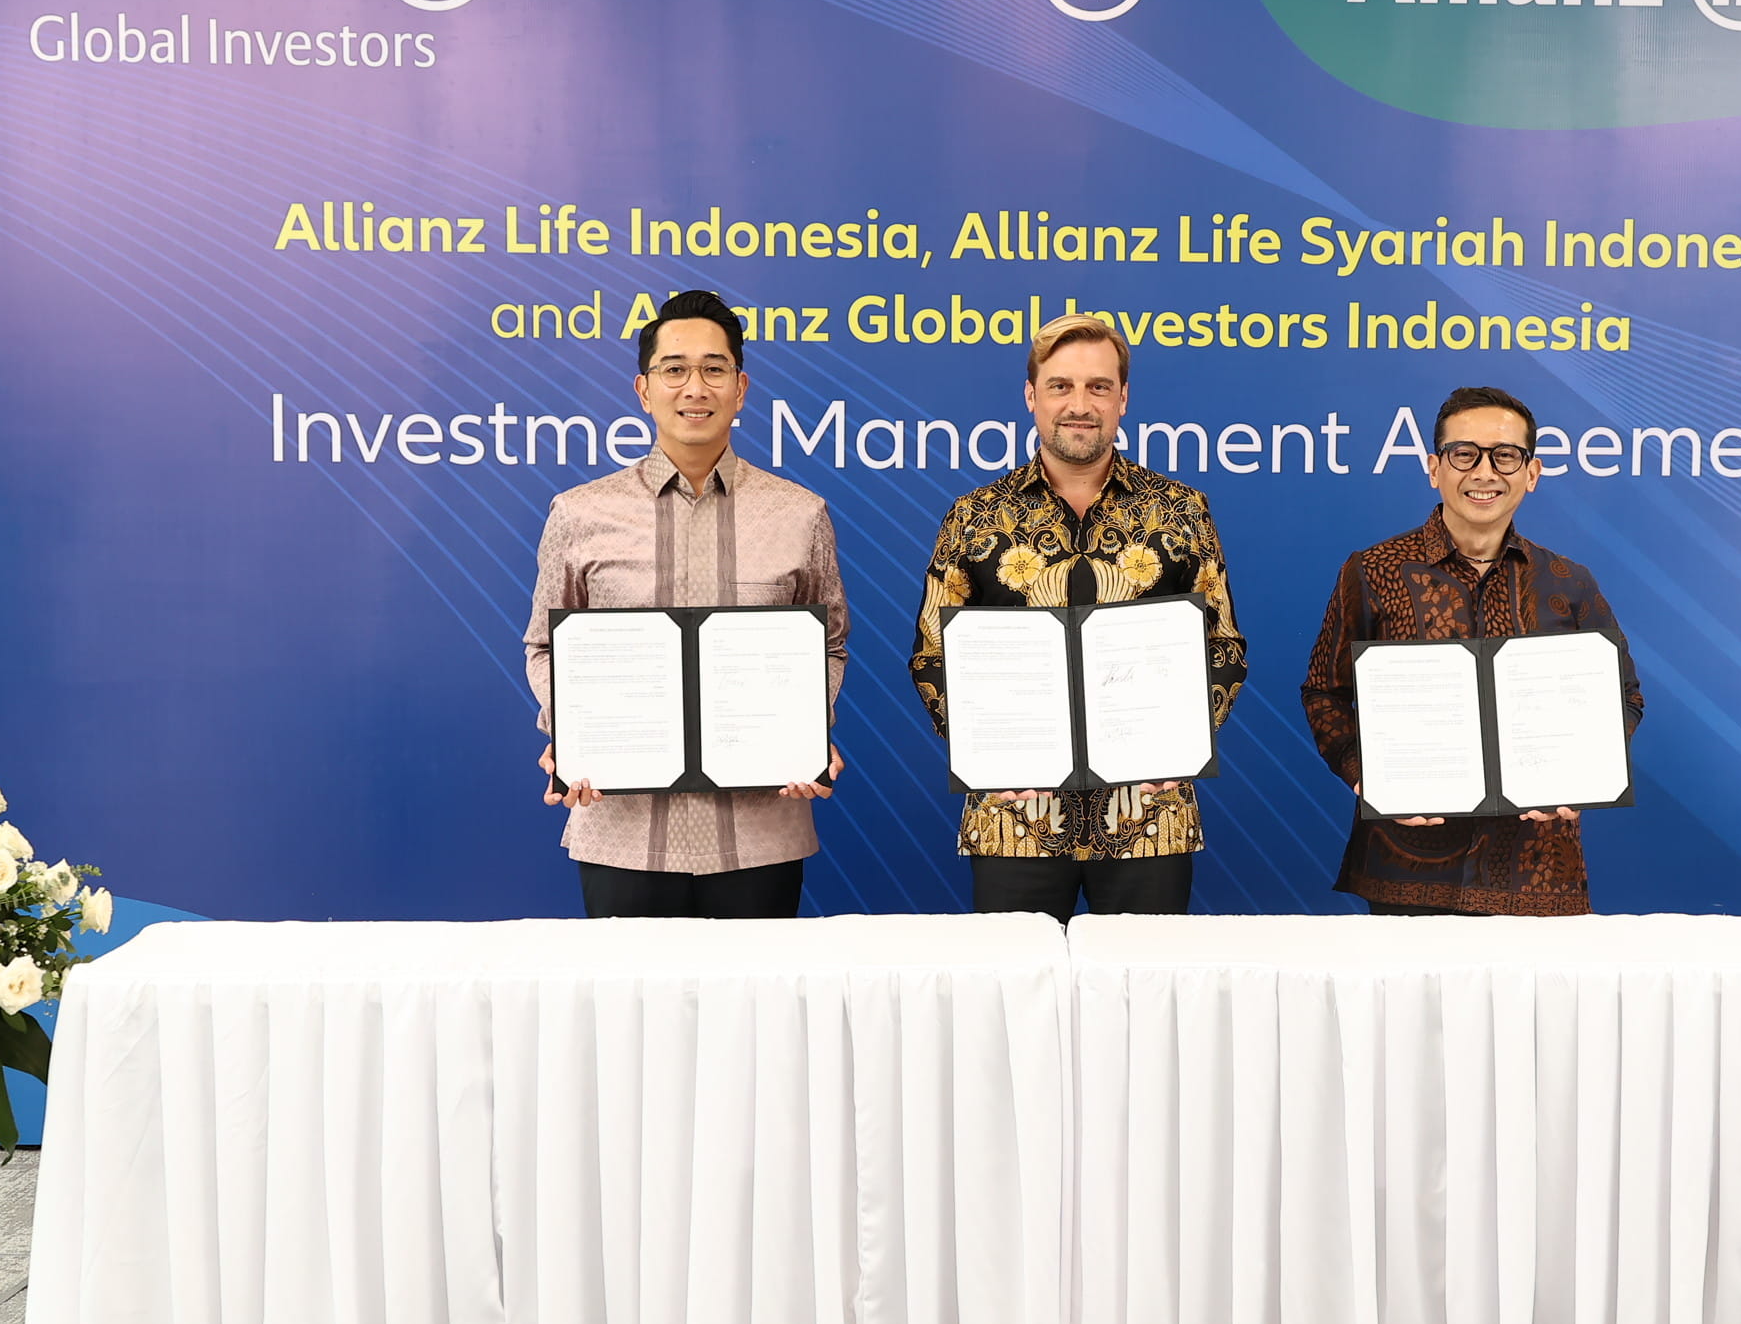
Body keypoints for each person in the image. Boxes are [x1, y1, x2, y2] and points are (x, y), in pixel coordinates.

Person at [908, 312, 1247, 920]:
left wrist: (1185, 747)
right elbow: (934, 656)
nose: (1079, 405)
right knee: (1017, 1004)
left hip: (1149, 814)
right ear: (1031, 396)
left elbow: (1222, 648)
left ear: (1123, 398)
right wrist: (984, 752)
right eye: (1061, 386)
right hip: (1015, 817)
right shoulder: (975, 517)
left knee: (1148, 1004)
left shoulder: (1181, 510)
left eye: (1098, 387)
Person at [523, 290, 847, 918]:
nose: (694, 387)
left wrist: (809, 728)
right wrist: (570, 729)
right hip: (622, 832)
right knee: (631, 1016)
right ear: (644, 391)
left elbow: (828, 642)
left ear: (740, 388)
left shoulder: (800, 514)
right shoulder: (580, 513)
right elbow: (544, 645)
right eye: (674, 370)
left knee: (756, 1014)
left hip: (760, 834)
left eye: (713, 369)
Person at [1301, 384, 1642, 915]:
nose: (1485, 472)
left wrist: (1585, 774)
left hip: (1539, 871)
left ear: (1531, 473)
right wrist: (1363, 772)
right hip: (1406, 866)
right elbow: (1325, 690)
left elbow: (1624, 696)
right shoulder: (1371, 571)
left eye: (1506, 455)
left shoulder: (1568, 582)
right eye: (1465, 454)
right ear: (1435, 468)